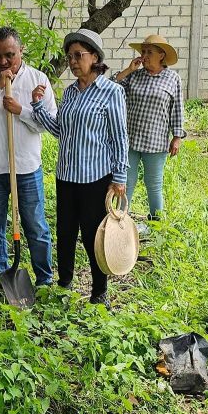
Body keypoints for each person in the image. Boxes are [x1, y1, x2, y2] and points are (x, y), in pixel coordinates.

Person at [31, 29, 128, 308]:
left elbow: (119, 137)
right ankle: (65, 282)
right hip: (66, 176)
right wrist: (38, 107)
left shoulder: (111, 92)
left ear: (94, 57)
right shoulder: (70, 92)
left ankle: (99, 291)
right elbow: (61, 129)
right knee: (65, 232)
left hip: (95, 178)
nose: (72, 61)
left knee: (93, 236)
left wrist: (119, 177)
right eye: (69, 56)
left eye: (78, 55)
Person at [0, 27, 58, 287]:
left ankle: (44, 279)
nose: (3, 62)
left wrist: (22, 110)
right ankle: (1, 272)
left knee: (35, 225)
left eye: (9, 55)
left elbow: (50, 124)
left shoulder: (38, 80)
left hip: (26, 168)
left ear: (21, 50)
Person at [113, 34, 186, 219]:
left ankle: (156, 222)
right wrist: (129, 69)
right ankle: (120, 220)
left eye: (149, 52)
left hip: (156, 141)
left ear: (161, 55)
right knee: (126, 182)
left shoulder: (172, 78)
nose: (144, 55)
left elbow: (177, 108)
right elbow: (111, 86)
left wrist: (177, 137)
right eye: (143, 51)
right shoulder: (135, 76)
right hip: (129, 139)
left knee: (153, 183)